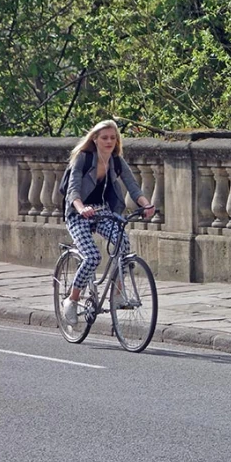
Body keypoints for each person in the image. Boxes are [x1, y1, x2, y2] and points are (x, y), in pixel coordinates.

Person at [61, 120, 155, 325]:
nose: (109, 141)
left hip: (102, 212)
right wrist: (81, 208)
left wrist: (147, 205)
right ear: (94, 139)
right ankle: (72, 299)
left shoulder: (116, 161)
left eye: (113, 138)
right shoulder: (83, 159)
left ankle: (119, 292)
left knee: (123, 242)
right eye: (104, 137)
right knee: (92, 257)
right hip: (77, 214)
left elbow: (133, 187)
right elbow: (73, 190)